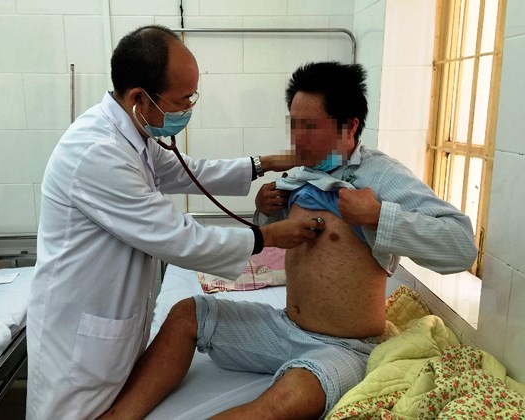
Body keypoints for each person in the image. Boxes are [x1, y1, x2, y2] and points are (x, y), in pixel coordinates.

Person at [99, 62, 478, 419]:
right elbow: (283, 239)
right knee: (187, 313)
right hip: (284, 328)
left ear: (349, 127)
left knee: (288, 399)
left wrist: (379, 216)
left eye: (310, 126)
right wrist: (264, 210)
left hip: (344, 347)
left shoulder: (380, 176)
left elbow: (461, 246)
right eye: (294, 124)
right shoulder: (301, 175)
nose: (297, 138)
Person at [25, 25, 325, 419]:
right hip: (79, 347)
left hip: (114, 329)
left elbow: (191, 172)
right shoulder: (96, 152)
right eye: (183, 99)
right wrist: (267, 236)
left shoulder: (136, 134)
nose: (188, 109)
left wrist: (264, 163)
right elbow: (179, 239)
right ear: (138, 98)